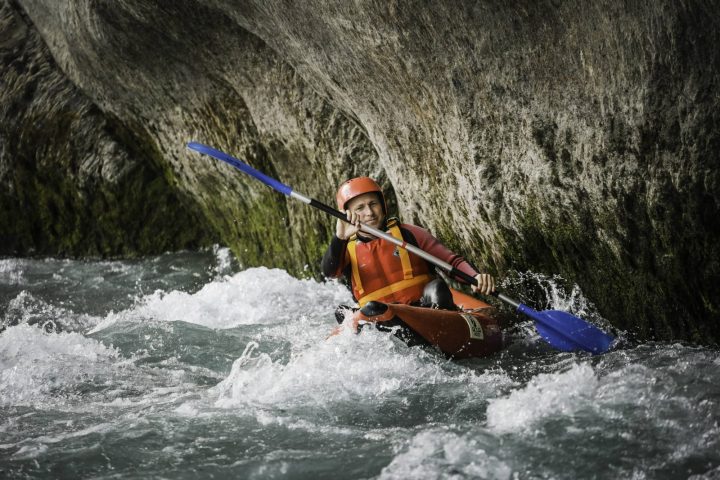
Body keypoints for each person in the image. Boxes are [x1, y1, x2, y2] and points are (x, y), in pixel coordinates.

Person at [321, 177, 495, 311]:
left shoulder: (409, 234)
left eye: (373, 204)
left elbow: (451, 262)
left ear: (382, 205)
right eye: (360, 208)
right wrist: (339, 238)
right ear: (348, 214)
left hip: (426, 309)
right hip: (380, 319)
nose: (369, 213)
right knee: (348, 312)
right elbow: (330, 272)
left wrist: (475, 277)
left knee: (437, 288)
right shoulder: (344, 247)